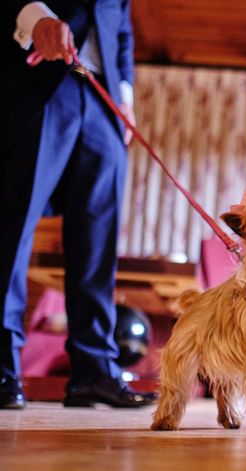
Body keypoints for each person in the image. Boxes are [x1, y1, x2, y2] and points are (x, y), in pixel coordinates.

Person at [0, 1, 157, 408]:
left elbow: (120, 27)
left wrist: (125, 99)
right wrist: (35, 19)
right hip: (37, 82)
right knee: (12, 228)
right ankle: (1, 364)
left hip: (103, 101)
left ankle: (93, 370)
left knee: (97, 242)